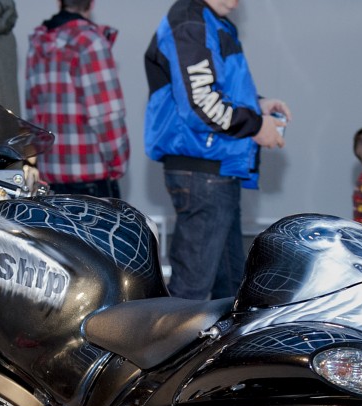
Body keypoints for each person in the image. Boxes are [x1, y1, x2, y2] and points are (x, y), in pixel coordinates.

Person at [145, 0, 288, 300]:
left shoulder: (210, 21)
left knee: (231, 290)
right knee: (189, 296)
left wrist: (257, 106)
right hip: (203, 172)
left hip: (215, 169)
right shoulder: (191, 23)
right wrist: (256, 126)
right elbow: (200, 104)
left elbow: (211, 90)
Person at [25, 0, 128, 198]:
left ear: (59, 2)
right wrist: (118, 164)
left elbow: (32, 114)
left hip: (50, 178)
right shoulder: (91, 42)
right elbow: (107, 115)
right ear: (92, 3)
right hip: (91, 178)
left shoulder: (37, 44)